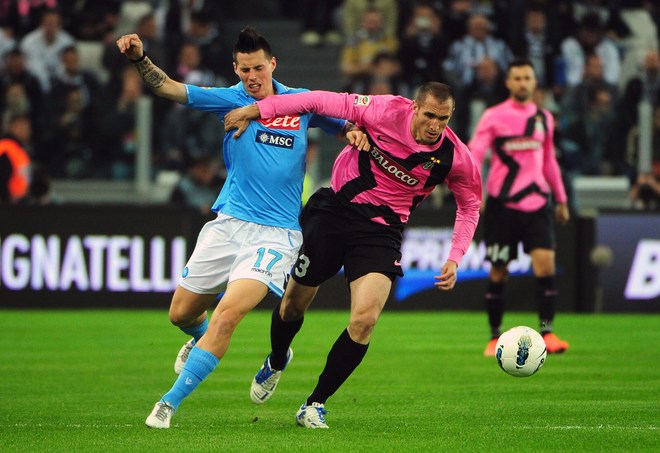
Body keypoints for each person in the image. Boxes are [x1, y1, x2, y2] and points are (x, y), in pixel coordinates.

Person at [116, 26, 367, 429]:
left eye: (258, 68)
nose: (252, 76)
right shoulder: (229, 99)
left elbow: (341, 123)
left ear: (273, 64)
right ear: (236, 68)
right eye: (244, 69)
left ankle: (167, 403)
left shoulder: (299, 102)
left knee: (227, 316)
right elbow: (168, 88)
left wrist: (351, 132)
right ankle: (200, 338)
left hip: (277, 235)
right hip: (228, 224)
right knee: (181, 313)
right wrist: (138, 59)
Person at [224, 81, 482, 429]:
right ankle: (277, 358)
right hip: (334, 213)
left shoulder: (455, 156)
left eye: (445, 118)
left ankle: (314, 404)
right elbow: (317, 99)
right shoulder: (384, 110)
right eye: (431, 115)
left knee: (365, 320)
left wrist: (455, 255)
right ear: (415, 108)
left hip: (381, 233)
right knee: (292, 306)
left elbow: (470, 205)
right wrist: (257, 109)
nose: (436, 125)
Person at [467, 58, 570, 357]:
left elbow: (549, 160)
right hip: (503, 205)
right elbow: (476, 153)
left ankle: (548, 333)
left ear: (534, 82)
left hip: (538, 203)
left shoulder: (543, 118)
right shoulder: (494, 116)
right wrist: (476, 191)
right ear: (508, 83)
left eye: (528, 78)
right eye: (518, 78)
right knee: (499, 272)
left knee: (545, 266)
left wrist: (561, 198)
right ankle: (494, 336)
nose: (523, 83)